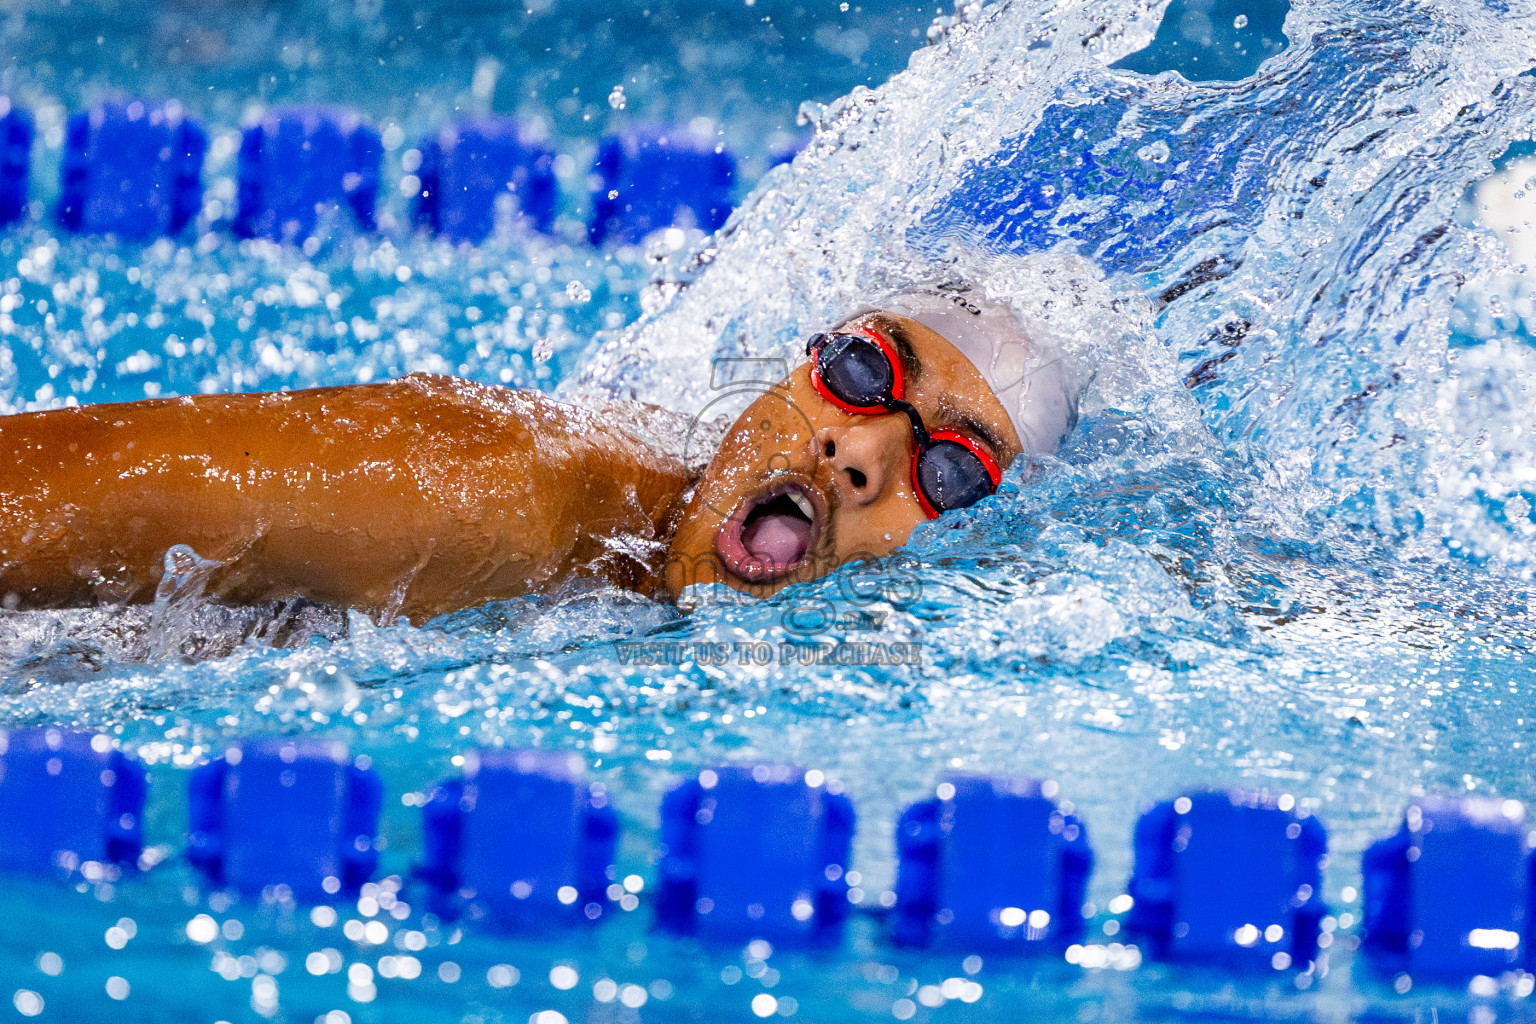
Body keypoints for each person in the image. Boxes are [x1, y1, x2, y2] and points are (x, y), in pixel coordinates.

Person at [0, 284, 1076, 622]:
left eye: (950, 474)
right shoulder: (484, 489)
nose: (865, 455)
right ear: (787, 373)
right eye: (859, 371)